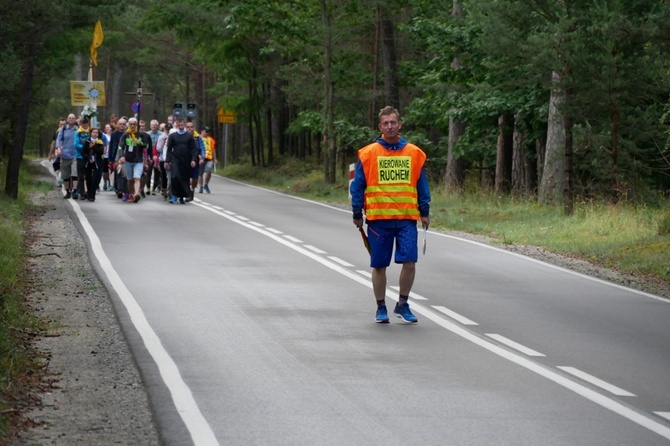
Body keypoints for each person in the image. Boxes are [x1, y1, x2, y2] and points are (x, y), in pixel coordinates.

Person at [350, 106, 431, 324]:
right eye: (385, 123)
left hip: (406, 218)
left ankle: (403, 304)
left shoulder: (414, 153)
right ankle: (381, 307)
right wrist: (357, 212)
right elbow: (358, 186)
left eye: (393, 122)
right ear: (380, 126)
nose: (389, 126)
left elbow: (421, 184)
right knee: (379, 265)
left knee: (410, 262)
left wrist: (425, 211)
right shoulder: (368, 154)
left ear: (400, 124)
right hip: (378, 220)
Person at [117, 117, 150, 203]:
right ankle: (131, 194)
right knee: (130, 179)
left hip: (138, 160)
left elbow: (147, 146)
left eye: (134, 124)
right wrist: (121, 156)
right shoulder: (125, 134)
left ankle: (136, 194)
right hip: (128, 160)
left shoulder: (141, 134)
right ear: (128, 125)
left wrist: (141, 143)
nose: (132, 126)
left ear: (136, 125)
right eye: (130, 124)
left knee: (137, 178)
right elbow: (120, 146)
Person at [165, 118, 197, 204]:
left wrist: (193, 159)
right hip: (175, 158)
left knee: (184, 178)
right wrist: (167, 160)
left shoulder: (189, 136)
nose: (180, 127)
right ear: (176, 126)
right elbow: (169, 149)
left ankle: (182, 196)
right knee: (175, 176)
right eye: (179, 125)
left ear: (184, 125)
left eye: (182, 125)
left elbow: (193, 149)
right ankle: (174, 195)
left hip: (186, 159)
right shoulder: (172, 136)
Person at [56, 114, 79, 199]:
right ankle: (68, 191)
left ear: (75, 120)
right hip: (65, 154)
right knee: (66, 175)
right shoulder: (63, 129)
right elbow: (59, 140)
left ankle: (75, 191)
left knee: (74, 173)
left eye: (73, 118)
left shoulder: (78, 129)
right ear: (67, 119)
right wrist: (58, 148)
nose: (71, 120)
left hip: (75, 154)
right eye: (70, 118)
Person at [81, 127, 105, 202]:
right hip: (88, 162)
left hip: (97, 162)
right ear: (91, 133)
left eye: (96, 133)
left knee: (95, 179)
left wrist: (93, 147)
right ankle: (88, 193)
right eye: (93, 132)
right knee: (88, 179)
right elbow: (83, 152)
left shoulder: (100, 142)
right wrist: (88, 158)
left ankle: (92, 195)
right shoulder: (87, 141)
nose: (95, 134)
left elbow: (100, 151)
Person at [185, 121, 205, 201]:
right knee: (186, 177)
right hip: (185, 159)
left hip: (195, 159)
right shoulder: (183, 136)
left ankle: (192, 189)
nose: (190, 129)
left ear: (194, 128)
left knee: (195, 178)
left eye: (191, 127)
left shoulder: (198, 137)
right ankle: (187, 192)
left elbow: (202, 148)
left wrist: (202, 158)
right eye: (188, 127)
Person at [74, 117, 91, 200]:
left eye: (86, 123)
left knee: (88, 175)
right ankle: (82, 192)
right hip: (80, 156)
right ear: (81, 124)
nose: (85, 124)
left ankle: (89, 191)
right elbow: (76, 144)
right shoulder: (78, 133)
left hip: (88, 157)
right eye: (83, 123)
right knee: (80, 176)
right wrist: (85, 147)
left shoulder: (91, 132)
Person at [198, 126, 217, 193]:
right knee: (200, 173)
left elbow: (213, 149)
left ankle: (206, 184)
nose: (207, 133)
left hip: (209, 158)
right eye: (206, 131)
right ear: (202, 131)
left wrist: (215, 158)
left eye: (208, 132)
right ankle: (201, 186)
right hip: (201, 158)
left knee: (208, 172)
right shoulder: (198, 138)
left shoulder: (211, 139)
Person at [48, 118, 66, 188]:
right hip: (57, 151)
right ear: (58, 124)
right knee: (56, 166)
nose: (62, 126)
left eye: (64, 124)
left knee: (63, 166)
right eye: (61, 124)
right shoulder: (56, 132)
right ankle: (59, 178)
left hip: (65, 151)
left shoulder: (68, 131)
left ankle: (61, 181)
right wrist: (50, 154)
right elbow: (53, 143)